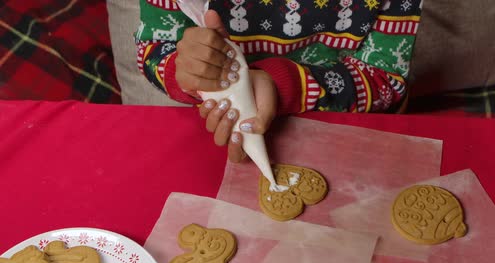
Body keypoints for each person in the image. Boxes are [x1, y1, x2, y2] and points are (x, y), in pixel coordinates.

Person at [136, 0, 422, 161]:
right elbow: (154, 48)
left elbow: (387, 81)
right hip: (216, 130)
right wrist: (188, 71)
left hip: (350, 135)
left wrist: (283, 85)